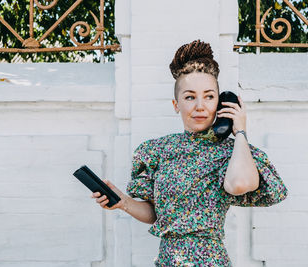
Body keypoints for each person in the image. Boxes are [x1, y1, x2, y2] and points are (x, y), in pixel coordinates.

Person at [91, 39, 288, 266]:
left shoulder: (234, 152)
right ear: (176, 104)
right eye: (190, 97)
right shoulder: (156, 151)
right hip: (167, 260)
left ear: (221, 103)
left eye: (209, 96)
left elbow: (240, 184)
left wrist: (240, 131)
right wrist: (123, 202)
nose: (200, 106)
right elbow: (156, 215)